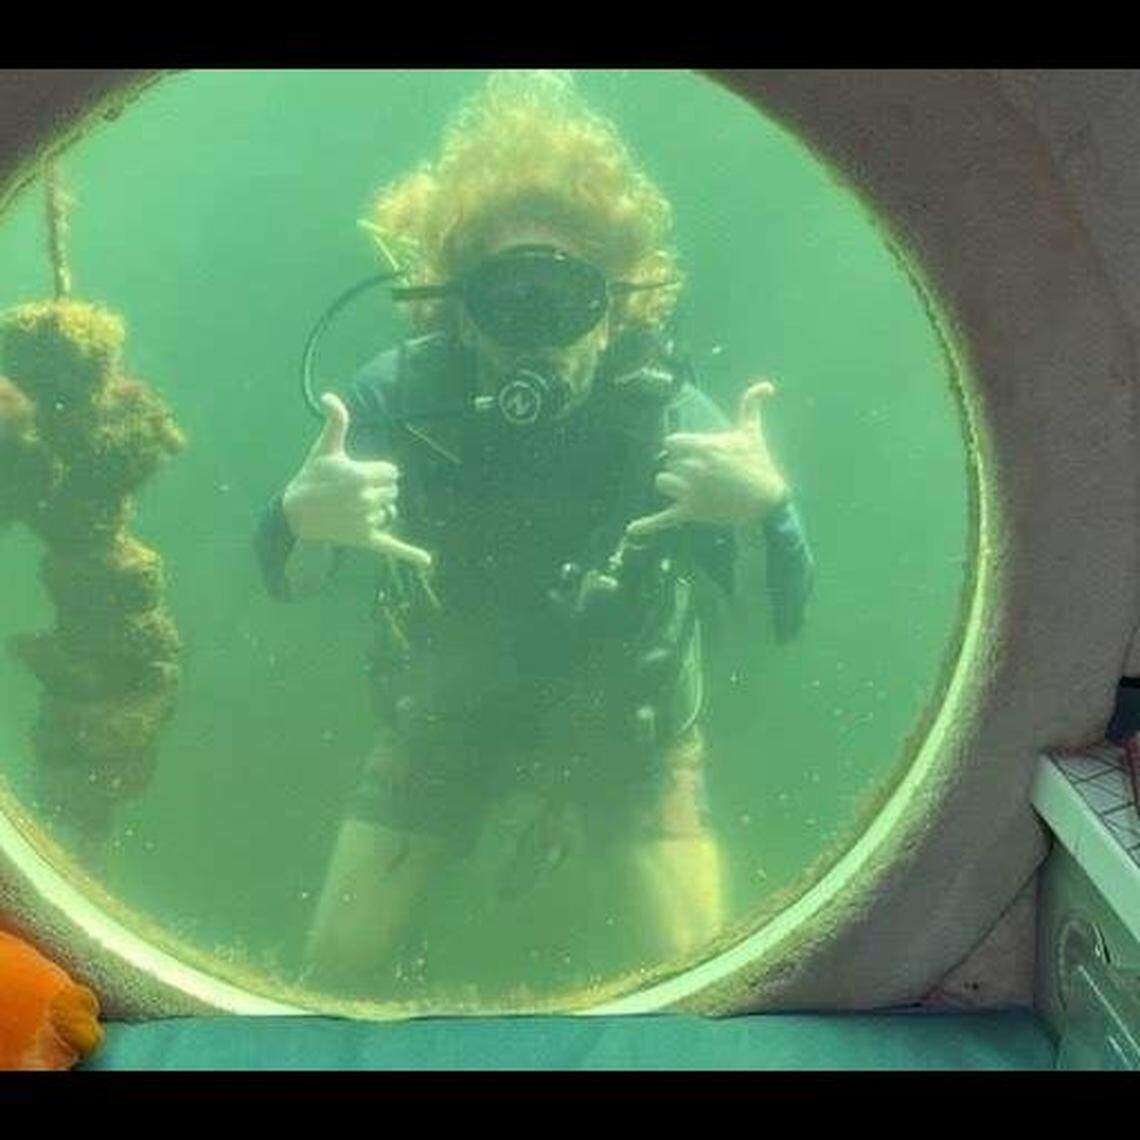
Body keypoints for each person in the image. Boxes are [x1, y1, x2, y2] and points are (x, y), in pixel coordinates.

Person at [255, 73, 815, 994]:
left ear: (619, 307)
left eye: (565, 298)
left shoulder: (667, 413)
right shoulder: (405, 392)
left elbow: (774, 616)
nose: (534, 334)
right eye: (505, 299)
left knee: (709, 981)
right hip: (444, 717)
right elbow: (289, 576)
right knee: (337, 965)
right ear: (455, 308)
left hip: (628, 724)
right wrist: (298, 522)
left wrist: (766, 512)